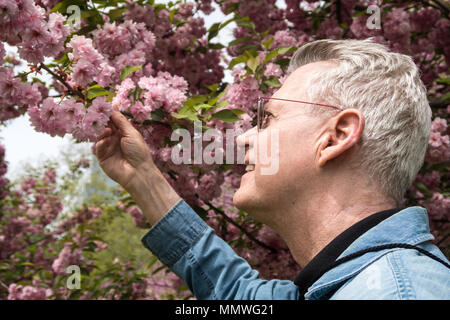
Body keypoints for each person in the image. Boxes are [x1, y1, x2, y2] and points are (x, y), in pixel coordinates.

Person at [95, 39, 450, 300]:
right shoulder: (349, 283)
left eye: (267, 120)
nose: (246, 137)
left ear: (336, 137)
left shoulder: (395, 293)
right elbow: (236, 292)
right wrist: (142, 177)